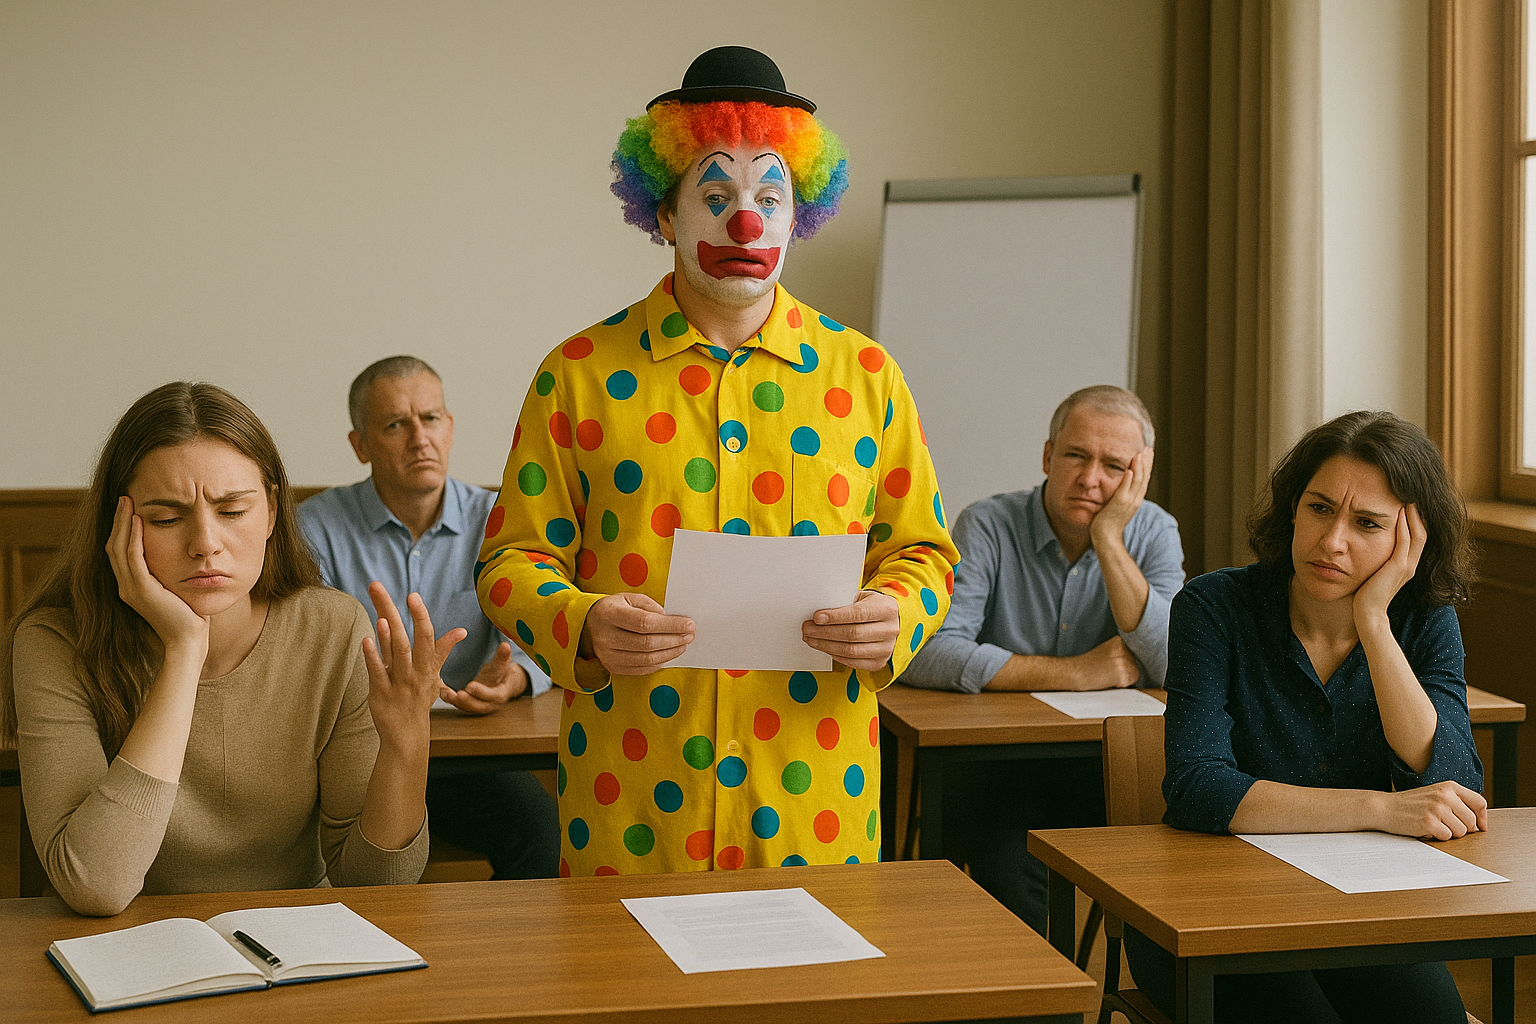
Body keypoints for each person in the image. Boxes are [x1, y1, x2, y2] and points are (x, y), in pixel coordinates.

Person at [475, 45, 959, 876]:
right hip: (633, 803)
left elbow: (924, 554)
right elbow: (510, 559)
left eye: (772, 197)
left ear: (798, 215)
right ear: (663, 215)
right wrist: (582, 622)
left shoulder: (868, 377)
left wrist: (895, 617)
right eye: (716, 195)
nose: (748, 221)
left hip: (814, 810)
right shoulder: (578, 374)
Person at [2, 382, 455, 916]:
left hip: (291, 951)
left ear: (271, 513)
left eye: (233, 511)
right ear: (118, 525)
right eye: (167, 518)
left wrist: (405, 746)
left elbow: (377, 887)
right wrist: (184, 647)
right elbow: (95, 884)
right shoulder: (54, 642)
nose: (205, 543)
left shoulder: (332, 628)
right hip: (120, 947)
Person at [1127, 409, 1482, 1023]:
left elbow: (1452, 778)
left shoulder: (1421, 620)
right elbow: (1197, 788)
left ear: (1410, 541)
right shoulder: (1214, 607)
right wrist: (1376, 808)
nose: (1332, 540)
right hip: (1207, 915)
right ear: (1293, 507)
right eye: (1320, 508)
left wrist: (1374, 622)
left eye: (1367, 523)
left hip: (1363, 912)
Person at [901, 384, 1185, 932]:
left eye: (1114, 466)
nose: (1090, 479)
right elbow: (927, 651)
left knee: (1169, 870)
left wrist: (1108, 536)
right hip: (995, 762)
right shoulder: (987, 523)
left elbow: (1177, 663)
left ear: (1137, 475)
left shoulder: (1153, 531)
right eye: (1076, 455)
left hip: (1101, 763)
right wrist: (1076, 674)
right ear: (1048, 455)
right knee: (1009, 881)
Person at [299, 356, 559, 880]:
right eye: (396, 424)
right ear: (361, 446)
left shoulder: (497, 519)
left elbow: (542, 628)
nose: (420, 438)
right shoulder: (315, 529)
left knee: (540, 829)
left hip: (464, 752)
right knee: (358, 861)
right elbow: (309, 660)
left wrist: (514, 678)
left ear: (451, 427)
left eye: (431, 418)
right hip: (360, 751)